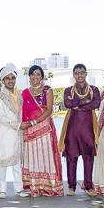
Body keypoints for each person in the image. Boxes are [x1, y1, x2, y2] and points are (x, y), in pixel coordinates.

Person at [21, 65, 64, 197]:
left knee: (46, 157)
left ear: (41, 77)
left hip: (45, 129)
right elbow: (23, 112)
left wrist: (34, 122)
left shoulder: (47, 90)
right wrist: (26, 125)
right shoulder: (25, 92)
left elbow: (49, 110)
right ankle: (35, 186)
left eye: (38, 74)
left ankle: (49, 187)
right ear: (29, 76)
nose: (35, 76)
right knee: (33, 157)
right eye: (33, 74)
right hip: (30, 130)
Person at [59, 63, 101, 196]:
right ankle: (71, 187)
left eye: (82, 72)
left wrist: (78, 106)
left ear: (86, 73)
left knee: (88, 158)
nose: (80, 75)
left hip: (88, 128)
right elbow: (67, 103)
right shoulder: (68, 90)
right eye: (77, 73)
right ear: (73, 75)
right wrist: (85, 102)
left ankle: (89, 186)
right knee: (71, 158)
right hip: (72, 128)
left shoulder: (94, 89)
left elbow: (96, 103)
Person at [0, 63, 30, 199]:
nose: (10, 81)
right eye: (7, 78)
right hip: (4, 133)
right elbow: (0, 116)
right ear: (2, 81)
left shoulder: (19, 97)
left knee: (17, 163)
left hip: (17, 133)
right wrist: (17, 125)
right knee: (2, 162)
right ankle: (2, 190)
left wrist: (21, 125)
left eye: (12, 78)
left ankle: (19, 190)